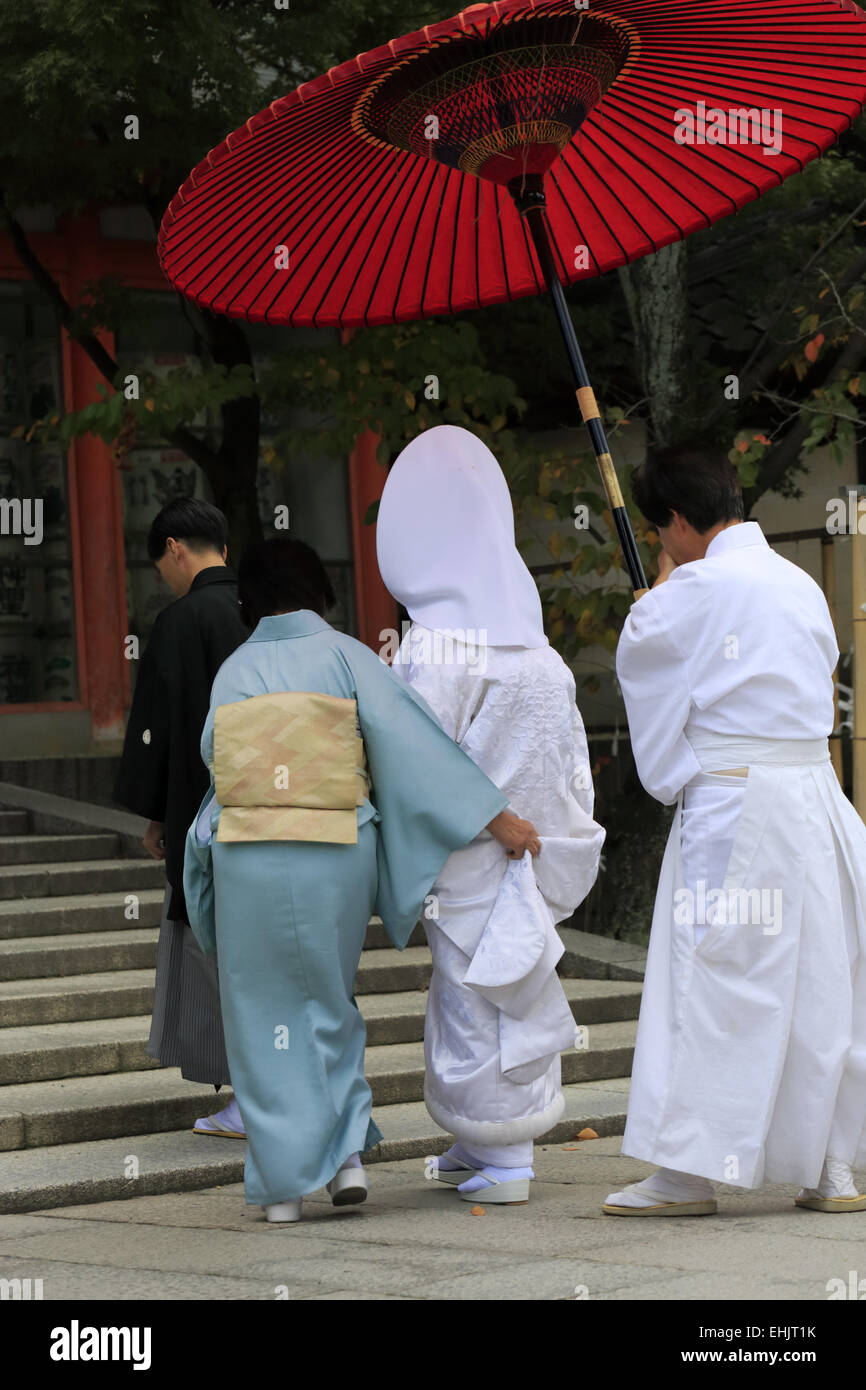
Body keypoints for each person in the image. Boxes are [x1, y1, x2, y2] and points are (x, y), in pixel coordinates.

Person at [183, 536, 539, 1224]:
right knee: (327, 997)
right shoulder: (347, 654)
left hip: (249, 852)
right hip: (333, 847)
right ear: (319, 590)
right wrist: (497, 818)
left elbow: (212, 755)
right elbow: (413, 743)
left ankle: (283, 1186)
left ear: (248, 599)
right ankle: (345, 1157)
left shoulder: (233, 670)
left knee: (260, 1017)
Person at [606, 444, 866, 1216]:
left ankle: (688, 1172)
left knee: (711, 976)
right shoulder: (797, 583)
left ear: (679, 523)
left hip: (733, 802)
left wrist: (654, 600)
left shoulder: (682, 596)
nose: (660, 545)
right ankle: (833, 1166)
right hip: (815, 798)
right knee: (821, 980)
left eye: (661, 533)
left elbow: (656, 698)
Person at [376, 425, 605, 1205]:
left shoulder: (438, 647)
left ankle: (507, 1159)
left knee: (472, 999)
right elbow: (570, 768)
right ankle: (482, 1141)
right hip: (535, 855)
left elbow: (413, 760)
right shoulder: (539, 652)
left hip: (468, 855)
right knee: (516, 987)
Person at [113, 497, 247, 1136]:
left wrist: (155, 814)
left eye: (161, 564)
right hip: (283, 815)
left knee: (218, 954)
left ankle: (253, 1099)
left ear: (174, 548)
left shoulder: (179, 620)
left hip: (205, 823)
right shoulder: (263, 611)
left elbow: (158, 732)